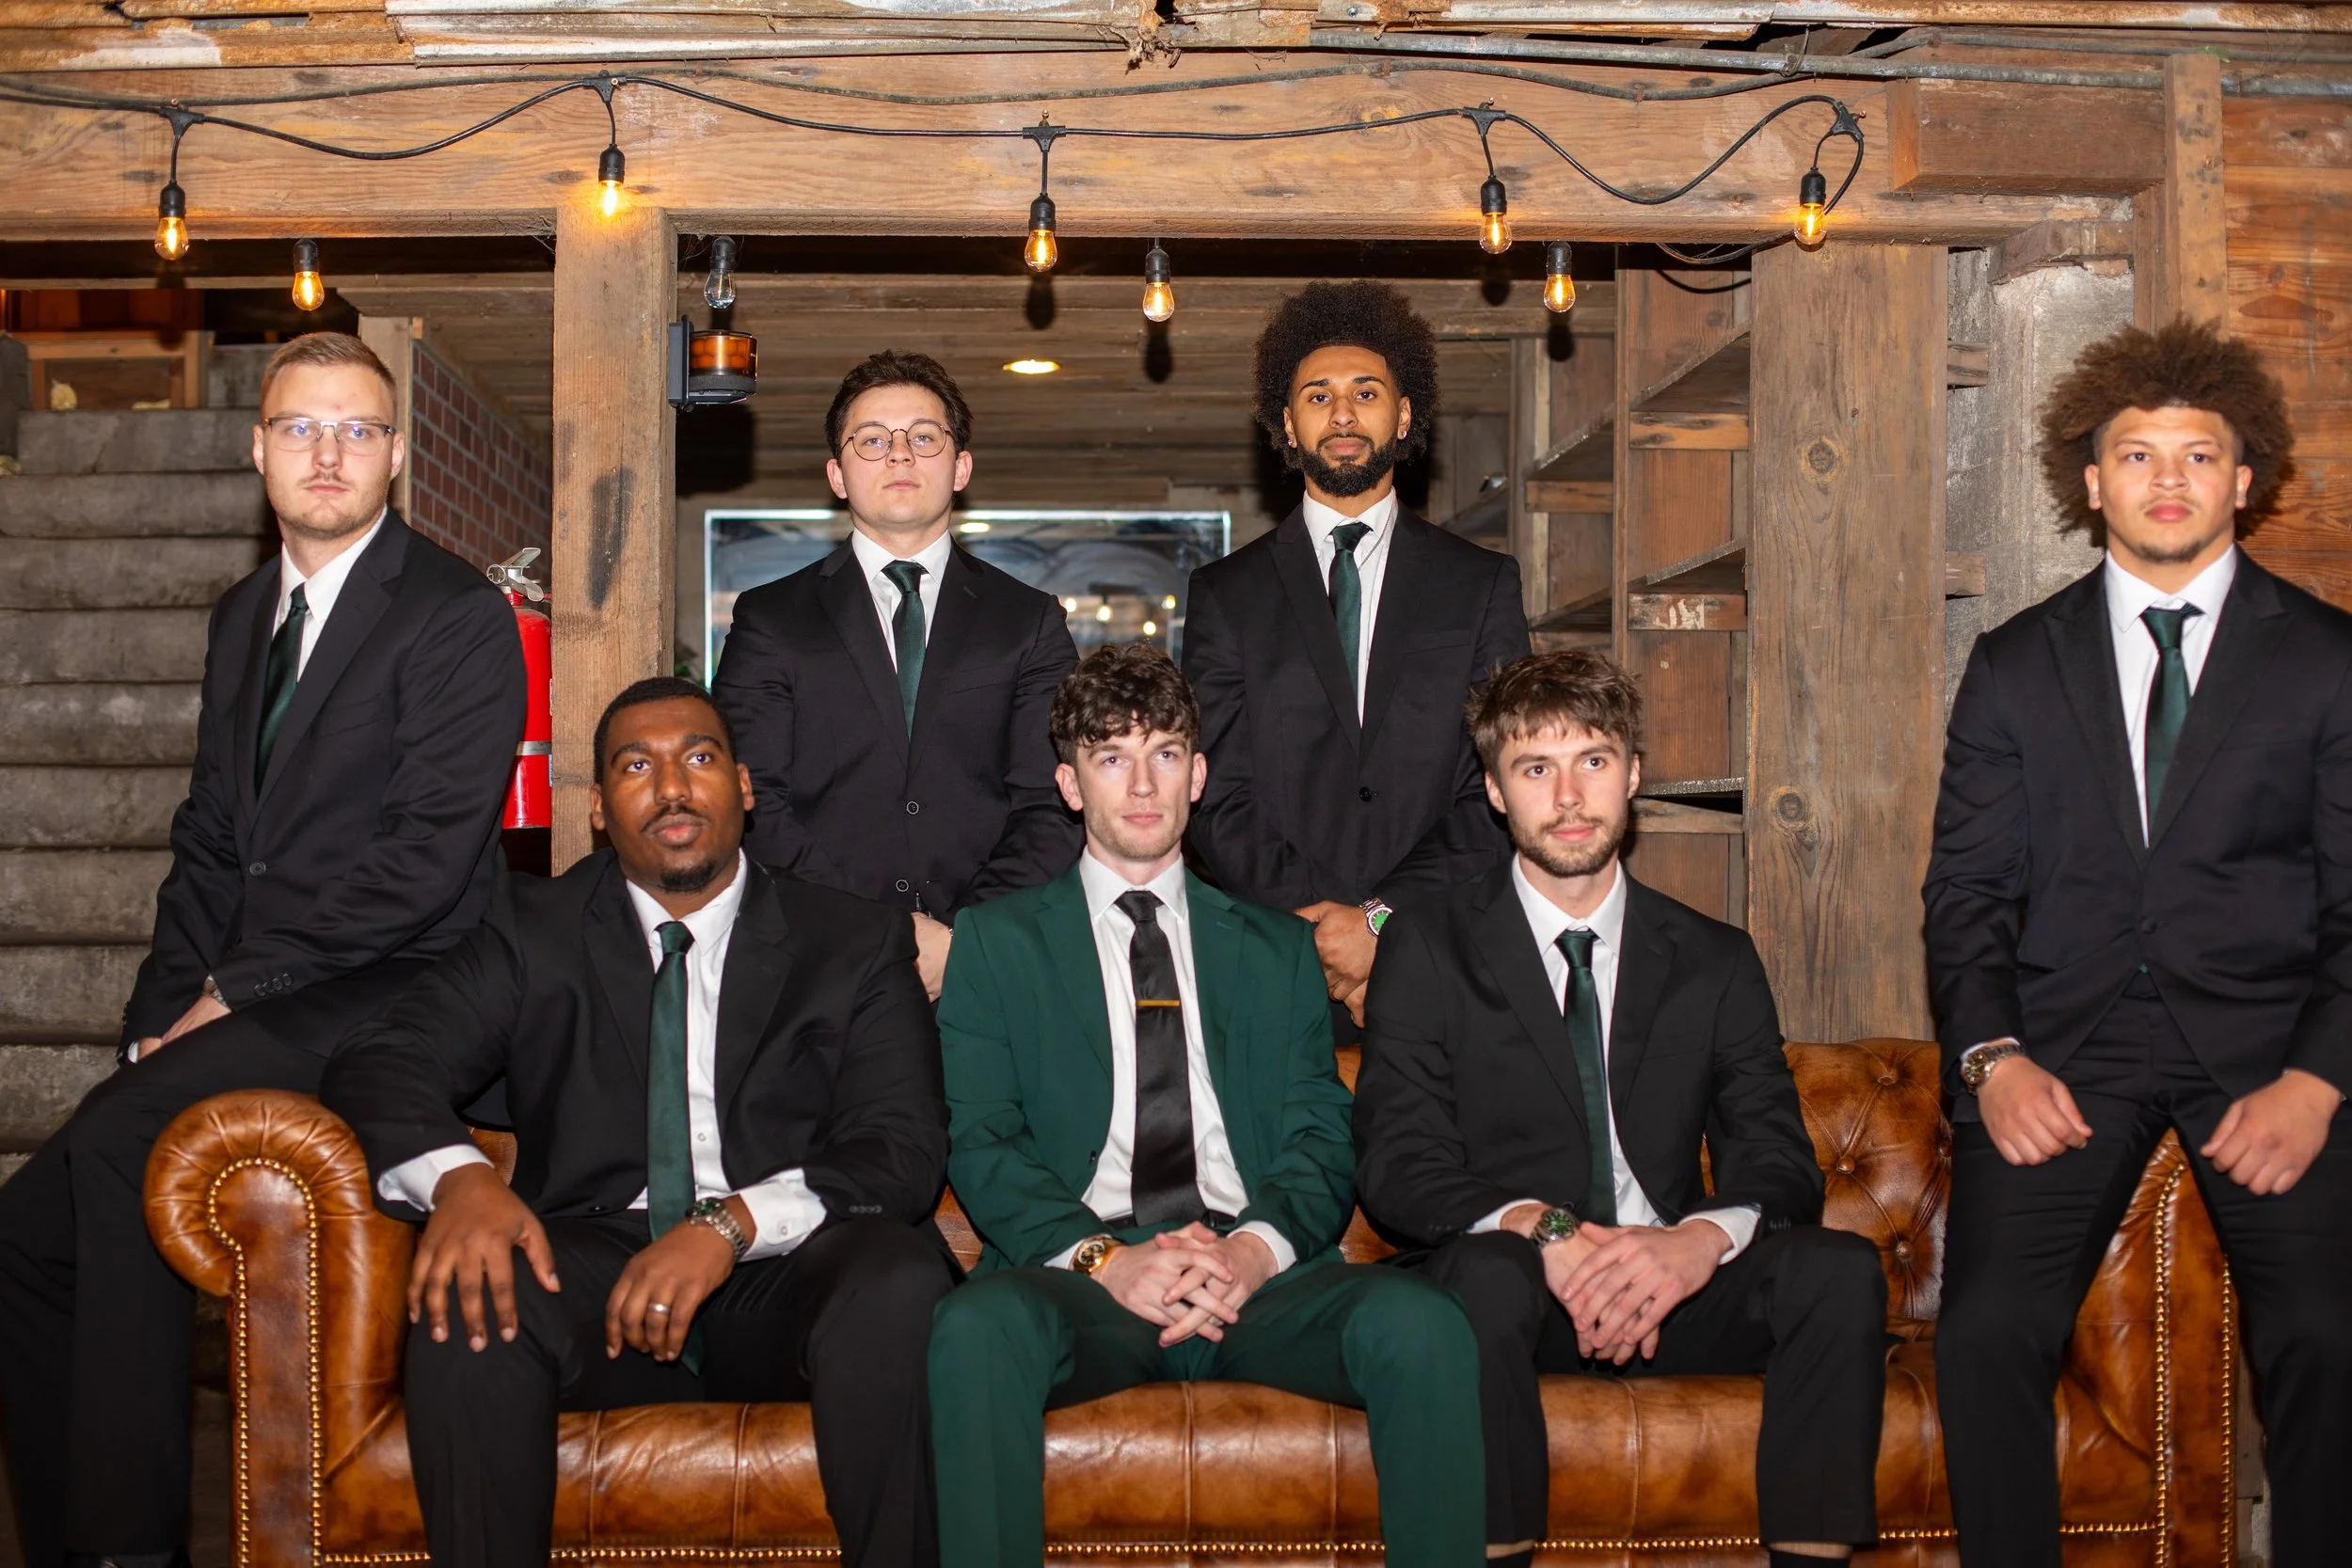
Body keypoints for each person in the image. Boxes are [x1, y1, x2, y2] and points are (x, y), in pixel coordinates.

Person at [0, 332, 524, 1568]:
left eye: (354, 429)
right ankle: (75, 1536)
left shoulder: (457, 614)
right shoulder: (245, 614)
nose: (326, 452)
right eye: (300, 427)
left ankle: (136, 1547)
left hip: (399, 986)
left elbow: (422, 865)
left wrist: (231, 994)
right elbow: (210, 838)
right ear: (257, 449)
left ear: (393, 456)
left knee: (129, 1139)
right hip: (259, 986)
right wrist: (158, 1005)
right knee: (23, 1232)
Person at [319, 676, 956, 1568]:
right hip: (596, 1271)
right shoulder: (529, 928)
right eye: (635, 765)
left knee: (894, 1277)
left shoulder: (849, 939)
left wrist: (727, 1226)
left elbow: (902, 1147)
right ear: (595, 807)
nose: (671, 787)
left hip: (790, 1278)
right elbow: (383, 1056)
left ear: (743, 787)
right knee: (472, 1293)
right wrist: (460, 1180)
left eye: (698, 757)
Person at [1925, 318, 2350, 1567]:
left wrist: (2321, 1080)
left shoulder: (2329, 660)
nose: (2168, 478)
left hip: (2273, 1054)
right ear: (2092, 479)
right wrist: (1991, 1055)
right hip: (2064, 1048)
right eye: (2138, 453)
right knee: (1986, 1330)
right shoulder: (2012, 665)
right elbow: (1965, 891)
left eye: (2197, 454)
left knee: (2330, 1336)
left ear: (2245, 476)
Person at [927, 643, 1485, 1568]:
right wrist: (1109, 1261)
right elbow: (983, 1140)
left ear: (1200, 773)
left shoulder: (1274, 945)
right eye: (1112, 757)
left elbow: (1318, 1132)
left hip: (1251, 1274)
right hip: (1083, 1276)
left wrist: (1249, 1249)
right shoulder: (996, 941)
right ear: (1070, 783)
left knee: (1423, 1322)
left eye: (1166, 752)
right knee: (973, 1328)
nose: (1142, 783)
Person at [1355, 650, 1887, 1568]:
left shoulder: (1714, 958)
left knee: (1837, 1270)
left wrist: (1694, 1243)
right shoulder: (1426, 946)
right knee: (1482, 1276)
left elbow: (1776, 1158)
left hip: (1672, 1284)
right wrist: (1542, 1227)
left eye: (1592, 760)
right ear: (1493, 792)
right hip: (1517, 1293)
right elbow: (1399, 1162)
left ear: (1633, 774)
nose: (1567, 795)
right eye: (1535, 768)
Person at [1184, 281, 1528, 1033]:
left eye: (1366, 392)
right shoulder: (1224, 594)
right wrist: (1322, 930)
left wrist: (1377, 919)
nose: (1342, 413)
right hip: (1275, 960)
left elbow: (1502, 784)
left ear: (1403, 415)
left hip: (1445, 953)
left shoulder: (1481, 583)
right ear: (1288, 422)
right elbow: (1213, 790)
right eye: (1318, 396)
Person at [713, 351, 1081, 1001]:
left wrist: (966, 936)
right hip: (816, 964)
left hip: (991, 968)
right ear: (837, 473)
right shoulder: (771, 619)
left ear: (961, 465)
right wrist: (875, 929)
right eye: (873, 440)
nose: (900, 456)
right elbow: (750, 798)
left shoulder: (1029, 621)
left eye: (924, 437)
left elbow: (1052, 803)